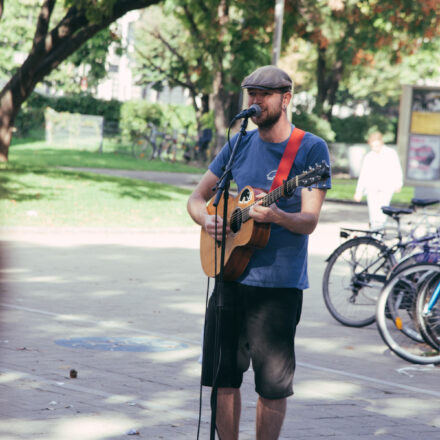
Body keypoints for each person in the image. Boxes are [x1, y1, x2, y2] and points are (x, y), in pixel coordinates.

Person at [187, 65, 331, 440]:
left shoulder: (310, 149)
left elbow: (310, 220)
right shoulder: (239, 143)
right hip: (230, 277)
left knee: (272, 385)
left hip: (278, 287)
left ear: (285, 99)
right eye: (251, 93)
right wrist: (206, 220)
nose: (255, 100)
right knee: (223, 379)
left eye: (264, 94)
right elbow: (197, 198)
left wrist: (279, 215)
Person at [353, 131, 403, 229]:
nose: (375, 148)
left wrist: (398, 184)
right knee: (373, 212)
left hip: (386, 187)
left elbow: (397, 169)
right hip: (372, 188)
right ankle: (375, 232)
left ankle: (379, 231)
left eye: (376, 145)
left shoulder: (390, 154)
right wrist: (359, 191)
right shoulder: (369, 157)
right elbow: (364, 175)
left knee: (383, 212)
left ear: (381, 143)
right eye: (373, 146)